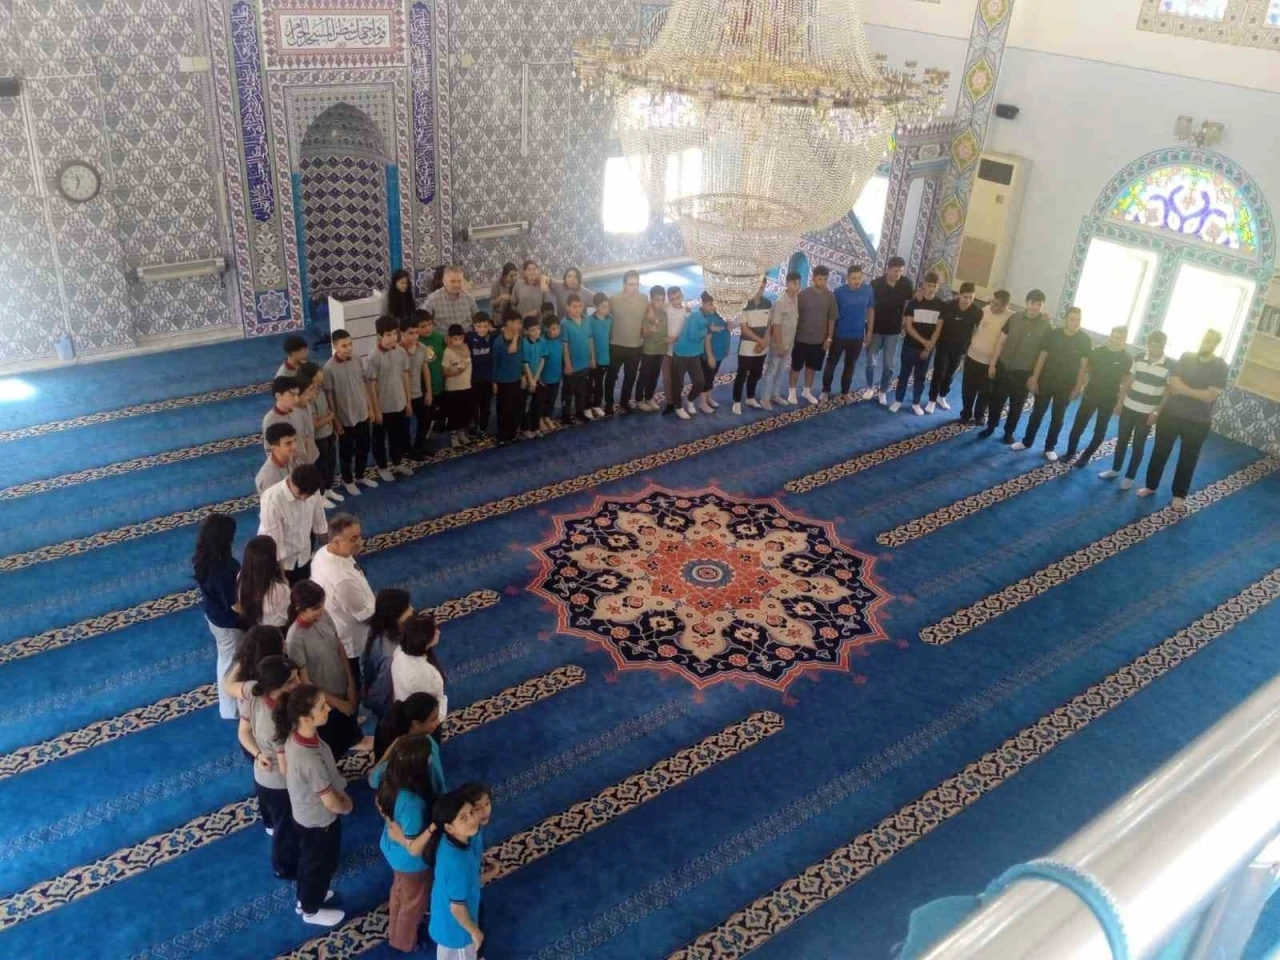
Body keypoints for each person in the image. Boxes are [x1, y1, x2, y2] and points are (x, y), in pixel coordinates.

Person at [276, 684, 353, 927]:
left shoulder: (297, 735)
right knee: (319, 866)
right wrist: (347, 806)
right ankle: (310, 909)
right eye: (322, 707)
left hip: (305, 813)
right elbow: (330, 801)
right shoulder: (310, 760)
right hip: (319, 821)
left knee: (311, 863)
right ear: (306, 718)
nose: (328, 708)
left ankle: (307, 898)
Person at [1138, 329, 1228, 510]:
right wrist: (1198, 392)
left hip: (1198, 421)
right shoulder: (1186, 357)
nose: (1206, 343)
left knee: (1188, 459)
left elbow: (1209, 397)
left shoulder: (1221, 366)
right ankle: (1151, 485)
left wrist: (1185, 390)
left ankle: (1179, 495)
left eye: (1210, 341)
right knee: (1159, 452)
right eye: (1205, 339)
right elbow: (1174, 384)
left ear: (1216, 344)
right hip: (1171, 414)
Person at [370, 734, 443, 953]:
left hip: (392, 850)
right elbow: (413, 847)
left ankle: (397, 921)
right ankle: (402, 942)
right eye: (428, 758)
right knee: (414, 903)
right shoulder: (412, 803)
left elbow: (377, 799)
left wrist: (392, 824)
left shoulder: (389, 775)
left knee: (401, 889)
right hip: (411, 862)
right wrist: (433, 827)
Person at [286, 580, 369, 757]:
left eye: (322, 604)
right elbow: (305, 682)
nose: (322, 610)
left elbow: (339, 646)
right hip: (325, 700)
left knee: (349, 725)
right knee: (333, 742)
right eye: (316, 608)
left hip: (342, 685)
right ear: (300, 608)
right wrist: (338, 703)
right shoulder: (294, 639)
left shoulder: (323, 615)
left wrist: (351, 683)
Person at [237, 653, 300, 875]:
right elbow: (286, 769)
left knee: (275, 818)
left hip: (262, 775)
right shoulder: (277, 722)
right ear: (274, 687)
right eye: (291, 681)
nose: (298, 683)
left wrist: (257, 755)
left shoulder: (253, 691)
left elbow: (243, 732)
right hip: (279, 783)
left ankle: (269, 825)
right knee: (287, 827)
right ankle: (284, 867)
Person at [310, 512, 376, 692]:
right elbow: (366, 616)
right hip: (353, 639)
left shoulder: (325, 552)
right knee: (356, 679)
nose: (360, 542)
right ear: (336, 541)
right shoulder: (341, 581)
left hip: (338, 624)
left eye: (360, 536)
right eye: (353, 539)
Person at [1016, 306, 1091, 459]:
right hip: (1046, 380)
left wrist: (1078, 387)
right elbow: (1042, 356)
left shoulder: (1084, 340)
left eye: (1078, 320)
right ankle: (1026, 441)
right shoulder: (1053, 334)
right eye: (1072, 319)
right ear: (1065, 320)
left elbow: (1083, 366)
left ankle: (1050, 447)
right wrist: (1035, 377)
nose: (1075, 323)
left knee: (1058, 417)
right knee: (1037, 412)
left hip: (1066, 385)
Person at [979, 289, 1052, 443]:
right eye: (1033, 303)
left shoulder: (1046, 326)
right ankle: (991, 427)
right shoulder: (1014, 318)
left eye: (1039, 304)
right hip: (1004, 368)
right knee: (996, 401)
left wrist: (1035, 376)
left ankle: (1008, 433)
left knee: (1016, 405)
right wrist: (993, 364)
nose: (1035, 307)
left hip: (1024, 373)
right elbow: (1001, 341)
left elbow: (1043, 354)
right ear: (1026, 303)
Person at [1101, 331, 1170, 489]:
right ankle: (1115, 469)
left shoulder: (1169, 365)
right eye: (1152, 346)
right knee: (1122, 440)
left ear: (1164, 346)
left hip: (1147, 412)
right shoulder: (1139, 358)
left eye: (1158, 347)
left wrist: (1157, 412)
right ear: (1148, 344)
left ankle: (1129, 477)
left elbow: (1167, 392)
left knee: (1138, 445)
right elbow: (1129, 381)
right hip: (1129, 406)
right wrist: (1120, 402)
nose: (1154, 350)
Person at [193, 513, 243, 719]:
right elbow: (235, 605)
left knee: (226, 659)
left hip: (214, 615)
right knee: (230, 664)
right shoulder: (222, 569)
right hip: (227, 624)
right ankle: (230, 710)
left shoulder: (205, 556)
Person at [427, 789, 485, 960]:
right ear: (449, 827)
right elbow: (457, 908)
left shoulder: (457, 839)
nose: (472, 820)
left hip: (451, 913)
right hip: (455, 929)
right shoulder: (456, 864)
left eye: (471, 813)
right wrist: (474, 931)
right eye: (463, 818)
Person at [1065, 324, 1134, 465]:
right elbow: (1085, 370)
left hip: (1109, 398)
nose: (1115, 341)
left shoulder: (1127, 359)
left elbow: (1126, 382)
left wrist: (1120, 402)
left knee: (1100, 430)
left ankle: (1085, 457)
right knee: (1078, 425)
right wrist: (1078, 387)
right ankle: (1070, 453)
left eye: (1119, 338)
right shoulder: (1098, 352)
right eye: (1114, 337)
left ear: (1125, 339)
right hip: (1091, 394)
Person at [324, 329, 377, 498]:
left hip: (362, 413)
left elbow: (364, 384)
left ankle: (360, 476)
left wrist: (370, 408)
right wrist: (336, 421)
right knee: (347, 451)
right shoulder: (328, 368)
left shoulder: (357, 359)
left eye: (350, 344)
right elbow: (330, 396)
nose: (348, 348)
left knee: (363, 447)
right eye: (344, 346)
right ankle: (347, 480)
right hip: (345, 417)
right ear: (335, 346)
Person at [258, 464, 327, 583]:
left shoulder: (312, 489)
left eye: (308, 495)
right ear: (291, 482)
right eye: (300, 494)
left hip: (304, 554)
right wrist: (281, 577)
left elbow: (319, 520)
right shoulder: (272, 499)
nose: (304, 498)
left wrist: (328, 551)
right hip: (282, 561)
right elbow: (275, 544)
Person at [366, 315, 413, 483]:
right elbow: (370, 385)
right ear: (380, 336)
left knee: (397, 436)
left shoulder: (401, 351)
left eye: (395, 333)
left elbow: (405, 376)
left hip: (399, 402)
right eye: (388, 335)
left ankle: (397, 462)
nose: (393, 337)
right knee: (379, 439)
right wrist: (375, 409)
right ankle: (382, 467)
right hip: (383, 406)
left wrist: (408, 401)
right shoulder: (373, 357)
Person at [891, 272, 945, 415]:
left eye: (934, 286)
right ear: (924, 285)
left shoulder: (940, 305)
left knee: (920, 377)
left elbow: (938, 328)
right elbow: (908, 327)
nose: (931, 289)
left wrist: (929, 346)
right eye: (929, 285)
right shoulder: (914, 303)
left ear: (938, 287)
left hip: (927, 349)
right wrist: (924, 342)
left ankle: (915, 403)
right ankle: (898, 400)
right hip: (910, 346)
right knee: (904, 374)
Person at [866, 256, 915, 404]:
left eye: (900, 271)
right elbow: (870, 308)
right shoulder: (876, 284)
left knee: (888, 366)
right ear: (888, 269)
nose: (898, 274)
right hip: (876, 329)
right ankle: (869, 387)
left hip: (893, 331)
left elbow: (908, 304)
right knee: (871, 362)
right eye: (895, 271)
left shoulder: (906, 284)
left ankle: (883, 391)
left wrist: (904, 324)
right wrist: (869, 331)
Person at [929, 281, 983, 412]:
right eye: (965, 297)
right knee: (939, 371)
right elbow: (939, 325)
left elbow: (977, 331)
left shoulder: (977, 312)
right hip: (943, 345)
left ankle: (942, 396)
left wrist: (970, 347)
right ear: (959, 295)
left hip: (960, 348)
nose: (968, 300)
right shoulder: (948, 306)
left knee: (950, 373)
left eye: (971, 297)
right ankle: (932, 399)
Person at [362, 588, 414, 722]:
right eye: (406, 608)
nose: (411, 609)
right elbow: (381, 691)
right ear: (395, 616)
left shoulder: (378, 628)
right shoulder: (392, 655)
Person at [824, 264, 874, 400]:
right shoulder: (839, 292)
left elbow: (870, 311)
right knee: (831, 363)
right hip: (839, 335)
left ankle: (845, 392)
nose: (857, 281)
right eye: (853, 278)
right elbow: (832, 315)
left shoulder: (868, 291)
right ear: (847, 278)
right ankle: (825, 391)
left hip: (857, 336)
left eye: (859, 278)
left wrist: (869, 331)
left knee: (850, 365)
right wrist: (829, 336)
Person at [788, 265, 836, 406]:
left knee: (812, 366)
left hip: (819, 339)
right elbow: (794, 316)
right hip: (801, 338)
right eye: (820, 279)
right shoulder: (802, 295)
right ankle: (792, 392)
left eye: (825, 279)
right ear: (813, 278)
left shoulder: (830, 296)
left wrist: (829, 338)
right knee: (796, 366)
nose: (823, 282)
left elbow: (832, 318)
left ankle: (807, 391)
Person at [961, 289, 1010, 424]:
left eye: (996, 304)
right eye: (992, 302)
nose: (992, 306)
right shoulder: (983, 310)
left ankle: (979, 416)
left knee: (985, 393)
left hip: (990, 363)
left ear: (1005, 305)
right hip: (972, 357)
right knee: (968, 389)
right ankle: (965, 413)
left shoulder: (1010, 318)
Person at [391, 611, 447, 717]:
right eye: (434, 631)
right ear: (424, 639)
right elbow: (435, 700)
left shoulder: (400, 650)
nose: (438, 632)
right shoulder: (424, 675)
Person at [607, 270, 647, 413]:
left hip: (635, 346)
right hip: (616, 345)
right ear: (624, 284)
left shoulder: (644, 299)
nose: (634, 288)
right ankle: (608, 404)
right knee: (611, 376)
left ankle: (624, 402)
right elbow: (602, 313)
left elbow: (654, 310)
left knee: (630, 377)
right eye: (630, 284)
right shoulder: (614, 299)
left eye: (636, 284)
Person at [669, 291, 714, 420]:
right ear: (703, 303)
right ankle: (678, 407)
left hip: (694, 354)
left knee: (699, 381)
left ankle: (690, 400)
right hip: (681, 353)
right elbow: (693, 335)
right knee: (678, 382)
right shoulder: (695, 316)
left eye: (714, 304)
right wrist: (707, 330)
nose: (713, 307)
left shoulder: (708, 316)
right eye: (710, 304)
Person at [373, 691, 444, 770]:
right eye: (433, 720)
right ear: (416, 723)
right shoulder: (387, 736)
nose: (438, 722)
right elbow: (378, 772)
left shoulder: (434, 732)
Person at [733, 277, 773, 414]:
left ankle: (750, 397)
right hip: (747, 346)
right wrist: (760, 341)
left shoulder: (768, 303)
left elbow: (769, 324)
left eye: (762, 287)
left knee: (757, 373)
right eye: (758, 287)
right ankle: (736, 402)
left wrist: (765, 340)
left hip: (762, 345)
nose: (760, 290)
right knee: (742, 374)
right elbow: (744, 329)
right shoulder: (744, 304)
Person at [303, 363, 340, 503]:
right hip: (319, 437)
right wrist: (330, 418)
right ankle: (321, 495)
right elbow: (315, 424)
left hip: (328, 433)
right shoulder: (309, 397)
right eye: (319, 373)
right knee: (321, 467)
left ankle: (329, 489)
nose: (322, 375)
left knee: (331, 463)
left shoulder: (320, 390)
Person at [222, 624, 285, 702]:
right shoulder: (277, 675)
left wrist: (246, 656)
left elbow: (227, 685)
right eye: (282, 641)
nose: (285, 643)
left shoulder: (251, 684)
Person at [237, 535, 290, 628]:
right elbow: (287, 614)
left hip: (254, 624)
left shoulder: (241, 577)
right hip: (275, 627)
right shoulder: (279, 590)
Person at [765, 272, 801, 406]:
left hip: (789, 342)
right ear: (787, 283)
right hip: (778, 343)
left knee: (781, 370)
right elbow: (776, 325)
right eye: (794, 283)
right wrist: (779, 345)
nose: (797, 286)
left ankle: (775, 395)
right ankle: (765, 398)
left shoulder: (795, 298)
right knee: (772, 370)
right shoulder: (781, 301)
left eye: (799, 283)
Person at [400, 315, 433, 459]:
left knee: (425, 420)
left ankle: (419, 447)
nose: (414, 336)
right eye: (410, 333)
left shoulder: (421, 348)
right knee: (405, 427)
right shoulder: (397, 351)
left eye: (416, 333)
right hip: (402, 395)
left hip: (418, 392)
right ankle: (407, 451)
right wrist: (407, 400)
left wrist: (429, 392)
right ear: (402, 333)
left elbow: (425, 369)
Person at [560, 293, 594, 424]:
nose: (577, 309)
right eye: (574, 306)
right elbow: (565, 345)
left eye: (580, 306)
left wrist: (592, 358)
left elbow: (590, 339)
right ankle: (565, 415)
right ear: (568, 307)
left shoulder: (587, 320)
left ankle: (579, 412)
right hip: (572, 365)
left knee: (582, 390)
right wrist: (568, 364)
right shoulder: (565, 323)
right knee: (568, 391)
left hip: (584, 363)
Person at [492, 309, 524, 445]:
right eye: (516, 323)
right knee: (504, 409)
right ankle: (502, 436)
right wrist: (494, 381)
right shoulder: (498, 342)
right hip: (503, 381)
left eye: (519, 323)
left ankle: (512, 433)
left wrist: (523, 375)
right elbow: (496, 362)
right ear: (508, 323)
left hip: (516, 378)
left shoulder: (520, 339)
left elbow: (521, 357)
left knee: (516, 407)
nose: (519, 326)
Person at [636, 288, 669, 411]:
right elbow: (643, 333)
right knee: (644, 375)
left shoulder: (664, 311)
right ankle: (639, 400)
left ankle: (649, 398)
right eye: (657, 300)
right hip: (648, 351)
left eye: (662, 300)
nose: (660, 303)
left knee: (654, 375)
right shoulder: (646, 313)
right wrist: (651, 330)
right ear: (651, 299)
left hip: (661, 349)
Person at [419, 311, 447, 444]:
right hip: (424, 387)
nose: (427, 328)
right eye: (423, 326)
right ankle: (423, 440)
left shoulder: (440, 337)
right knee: (426, 416)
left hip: (441, 382)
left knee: (443, 411)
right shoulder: (416, 342)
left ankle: (435, 433)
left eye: (429, 324)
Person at [423, 265, 478, 333]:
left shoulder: (469, 298)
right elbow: (422, 321)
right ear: (444, 281)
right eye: (452, 281)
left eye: (459, 281)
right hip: (443, 338)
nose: (456, 285)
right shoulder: (433, 299)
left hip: (466, 336)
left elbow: (477, 319)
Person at [465, 312, 495, 438]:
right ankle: (472, 428)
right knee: (473, 405)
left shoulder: (493, 336)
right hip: (474, 379)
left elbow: (502, 330)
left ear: (489, 326)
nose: (482, 329)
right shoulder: (469, 337)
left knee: (486, 405)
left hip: (488, 379)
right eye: (479, 326)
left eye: (485, 326)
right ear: (474, 326)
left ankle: (483, 428)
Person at [660, 286, 688, 415]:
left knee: (678, 378)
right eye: (673, 299)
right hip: (667, 351)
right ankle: (670, 402)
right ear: (669, 299)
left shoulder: (687, 312)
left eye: (678, 297)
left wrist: (676, 338)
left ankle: (677, 400)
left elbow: (688, 332)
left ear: (682, 296)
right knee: (667, 378)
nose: (676, 301)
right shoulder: (666, 308)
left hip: (680, 351)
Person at [262, 376, 307, 451]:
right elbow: (270, 450)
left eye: (297, 395)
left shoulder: (297, 411)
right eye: (292, 395)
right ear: (278, 396)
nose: (296, 399)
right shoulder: (270, 420)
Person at [257, 422, 300, 497]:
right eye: (288, 443)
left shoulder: (292, 460)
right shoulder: (269, 477)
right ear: (274, 447)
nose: (295, 446)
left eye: (294, 440)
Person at [520, 316, 545, 438]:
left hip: (537, 378)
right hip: (527, 378)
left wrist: (536, 379)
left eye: (538, 329)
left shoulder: (542, 341)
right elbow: (525, 363)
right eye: (532, 330)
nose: (536, 332)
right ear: (526, 331)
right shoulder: (524, 343)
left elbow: (542, 360)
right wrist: (530, 380)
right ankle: (525, 428)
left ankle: (535, 427)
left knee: (537, 404)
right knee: (525, 405)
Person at [588, 292, 613, 417]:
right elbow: (590, 340)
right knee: (589, 383)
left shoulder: (610, 319)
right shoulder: (590, 320)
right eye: (603, 306)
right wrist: (592, 358)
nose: (606, 309)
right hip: (594, 358)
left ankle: (596, 405)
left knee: (599, 383)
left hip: (605, 358)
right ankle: (587, 406)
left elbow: (610, 337)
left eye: (608, 306)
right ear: (595, 307)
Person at [702, 296, 729, 410]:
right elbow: (706, 339)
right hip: (710, 354)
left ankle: (709, 397)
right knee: (706, 377)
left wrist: (727, 347)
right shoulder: (708, 318)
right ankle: (703, 403)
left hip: (719, 353)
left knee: (712, 376)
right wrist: (710, 356)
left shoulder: (723, 316)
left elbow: (726, 333)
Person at [538, 315, 564, 432]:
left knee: (552, 399)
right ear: (546, 329)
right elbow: (538, 361)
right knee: (542, 400)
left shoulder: (559, 341)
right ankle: (539, 419)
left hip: (556, 377)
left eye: (558, 328)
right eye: (553, 329)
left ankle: (547, 417)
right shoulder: (542, 341)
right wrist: (539, 377)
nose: (557, 331)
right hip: (544, 378)